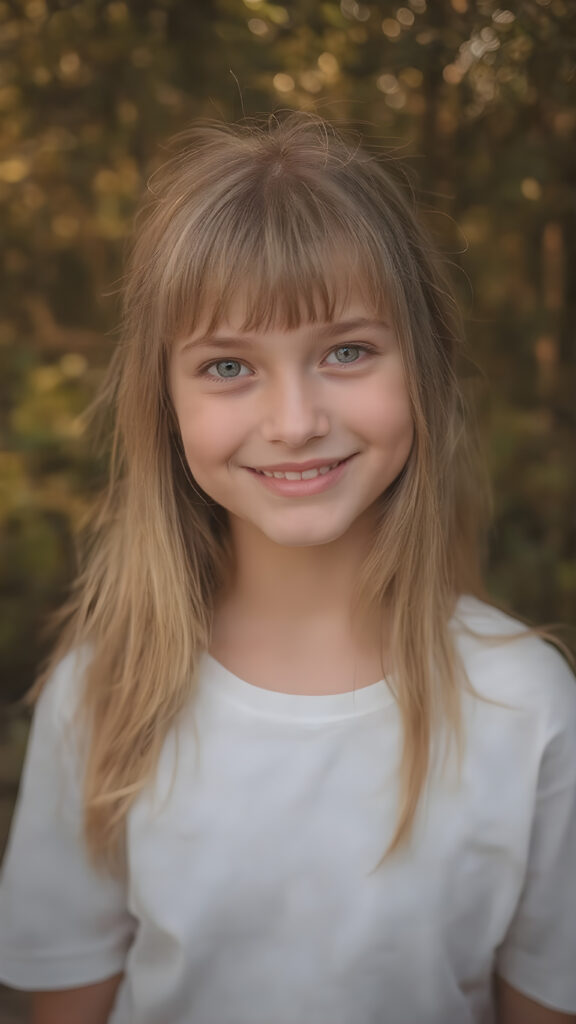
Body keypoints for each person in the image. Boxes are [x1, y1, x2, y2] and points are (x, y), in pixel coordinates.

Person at [0, 112, 575, 1024]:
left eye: (346, 351)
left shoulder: (527, 706)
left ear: (422, 365)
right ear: (166, 402)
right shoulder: (106, 694)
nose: (296, 419)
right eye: (229, 365)